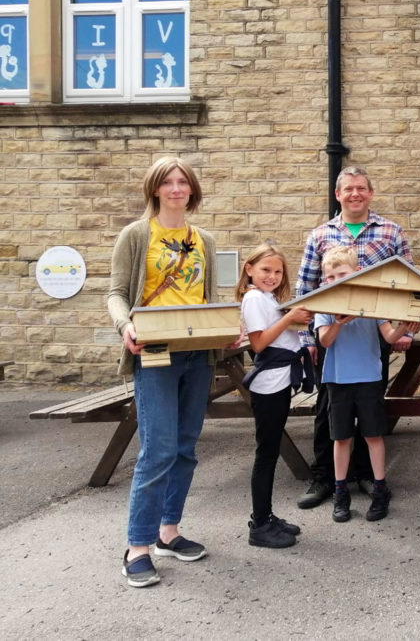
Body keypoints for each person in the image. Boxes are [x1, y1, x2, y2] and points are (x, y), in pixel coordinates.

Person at [107, 157, 231, 587]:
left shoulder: (204, 240)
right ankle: (137, 546)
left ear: (192, 190)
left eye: (183, 182)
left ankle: (168, 532)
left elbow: (209, 296)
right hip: (155, 352)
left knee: (185, 446)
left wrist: (225, 332)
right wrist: (127, 326)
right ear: (155, 189)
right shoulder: (137, 235)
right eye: (168, 182)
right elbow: (116, 294)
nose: (176, 188)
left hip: (198, 354)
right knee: (157, 450)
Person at [295, 166, 414, 510]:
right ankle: (326, 479)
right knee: (329, 412)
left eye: (361, 188)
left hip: (373, 330)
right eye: (348, 189)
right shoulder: (319, 235)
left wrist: (405, 325)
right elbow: (306, 288)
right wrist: (308, 340)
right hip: (331, 335)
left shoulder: (390, 231)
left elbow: (406, 279)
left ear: (370, 193)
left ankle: (365, 476)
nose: (355, 194)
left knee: (371, 403)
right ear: (338, 194)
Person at [314, 246, 420, 523]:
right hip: (337, 379)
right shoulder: (324, 302)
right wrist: (338, 322)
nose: (337, 279)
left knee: (373, 435)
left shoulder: (372, 301)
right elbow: (324, 341)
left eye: (343, 273)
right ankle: (340, 492)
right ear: (325, 279)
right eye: (331, 275)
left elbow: (389, 336)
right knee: (341, 438)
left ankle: (380, 489)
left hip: (370, 378)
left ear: (357, 272)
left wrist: (405, 327)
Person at [236, 243, 315, 549]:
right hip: (268, 384)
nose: (272, 276)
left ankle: (267, 516)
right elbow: (259, 343)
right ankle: (260, 524)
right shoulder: (254, 298)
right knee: (266, 455)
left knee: (269, 452)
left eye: (278, 271)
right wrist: (289, 317)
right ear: (249, 270)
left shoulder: (268, 298)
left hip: (281, 382)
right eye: (266, 270)